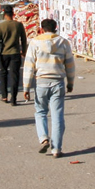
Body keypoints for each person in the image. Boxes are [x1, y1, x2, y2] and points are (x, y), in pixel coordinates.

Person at [22, 19, 75, 158]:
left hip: (41, 83)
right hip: (58, 82)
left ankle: (44, 138)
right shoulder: (63, 42)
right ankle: (56, 149)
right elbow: (70, 64)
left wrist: (26, 87)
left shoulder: (35, 42)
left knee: (40, 112)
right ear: (56, 28)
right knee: (57, 116)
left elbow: (29, 66)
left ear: (42, 29)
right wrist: (70, 83)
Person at [0, 6, 28, 106]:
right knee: (15, 76)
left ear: (4, 14)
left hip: (4, 54)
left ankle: (4, 96)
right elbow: (24, 40)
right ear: (13, 14)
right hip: (15, 53)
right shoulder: (19, 25)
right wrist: (23, 51)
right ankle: (14, 99)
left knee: (3, 74)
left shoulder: (0, 26)